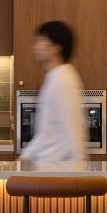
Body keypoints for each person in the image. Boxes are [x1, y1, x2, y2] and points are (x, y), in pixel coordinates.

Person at [21, 19, 89, 164]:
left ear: (56, 47)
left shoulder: (63, 80)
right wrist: (24, 157)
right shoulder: (54, 77)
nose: (35, 46)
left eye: (41, 40)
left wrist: (76, 178)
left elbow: (74, 134)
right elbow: (45, 134)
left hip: (59, 173)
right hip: (49, 170)